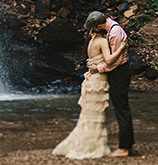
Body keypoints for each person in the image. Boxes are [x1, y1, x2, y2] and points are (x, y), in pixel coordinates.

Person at [52, 26, 128, 159]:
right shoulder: (102, 42)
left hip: (90, 81)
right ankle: (93, 145)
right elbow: (109, 60)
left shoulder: (91, 41)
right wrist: (121, 48)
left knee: (88, 115)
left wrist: (95, 67)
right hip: (97, 81)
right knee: (95, 115)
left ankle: (87, 141)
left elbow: (94, 60)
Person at [84, 11, 135, 157]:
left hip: (119, 73)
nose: (93, 31)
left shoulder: (115, 32)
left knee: (121, 109)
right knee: (122, 108)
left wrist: (97, 68)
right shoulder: (109, 28)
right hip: (117, 73)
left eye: (94, 28)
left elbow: (116, 61)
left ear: (100, 25)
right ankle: (128, 145)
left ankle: (124, 148)